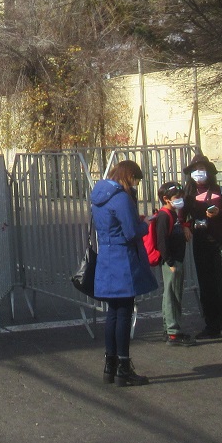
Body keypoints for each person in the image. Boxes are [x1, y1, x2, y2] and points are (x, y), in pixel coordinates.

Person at [89, 159, 159, 386]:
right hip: (122, 258)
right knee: (124, 313)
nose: (136, 184)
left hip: (106, 256)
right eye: (136, 180)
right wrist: (146, 223)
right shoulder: (121, 197)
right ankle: (124, 367)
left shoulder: (99, 195)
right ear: (129, 176)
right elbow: (131, 232)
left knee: (112, 312)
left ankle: (109, 365)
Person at [183, 154, 222, 343]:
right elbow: (182, 217)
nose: (198, 173)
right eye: (195, 170)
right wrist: (186, 225)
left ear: (209, 171)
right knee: (207, 286)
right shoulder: (188, 195)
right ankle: (212, 325)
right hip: (201, 245)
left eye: (202, 169)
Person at [151, 181, 195, 347]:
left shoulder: (173, 214)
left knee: (171, 294)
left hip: (175, 259)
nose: (180, 200)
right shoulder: (164, 216)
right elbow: (162, 242)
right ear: (166, 199)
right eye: (177, 197)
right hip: (172, 261)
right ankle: (173, 331)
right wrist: (170, 262)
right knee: (173, 295)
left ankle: (169, 328)